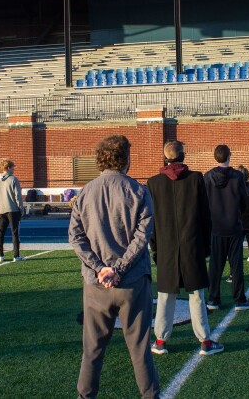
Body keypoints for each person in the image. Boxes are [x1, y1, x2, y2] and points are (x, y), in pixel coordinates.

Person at [68, 135, 159, 399]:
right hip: (131, 282)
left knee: (92, 350)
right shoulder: (139, 191)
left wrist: (99, 268)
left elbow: (75, 237)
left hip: (97, 284)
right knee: (139, 348)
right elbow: (143, 237)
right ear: (126, 159)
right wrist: (118, 268)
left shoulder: (86, 192)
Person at [147, 141, 223, 357]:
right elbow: (205, 214)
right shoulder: (195, 178)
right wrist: (206, 245)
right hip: (192, 245)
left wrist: (156, 249)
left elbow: (151, 222)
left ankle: (160, 340)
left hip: (166, 248)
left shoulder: (153, 182)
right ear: (183, 155)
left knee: (165, 295)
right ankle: (205, 341)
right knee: (196, 295)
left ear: (165, 158)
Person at [204, 145, 249, 312]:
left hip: (216, 227)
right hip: (233, 226)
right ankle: (239, 299)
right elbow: (244, 200)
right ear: (229, 156)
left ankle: (213, 298)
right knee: (236, 265)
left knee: (215, 266)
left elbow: (204, 203)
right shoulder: (237, 176)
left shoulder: (208, 177)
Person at [0, 160, 24, 262]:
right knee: (15, 233)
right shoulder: (13, 179)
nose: (14, 169)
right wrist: (21, 208)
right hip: (13, 210)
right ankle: (16, 255)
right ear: (9, 168)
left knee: (0, 233)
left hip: (1, 210)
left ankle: (0, 255)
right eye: (13, 167)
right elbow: (18, 196)